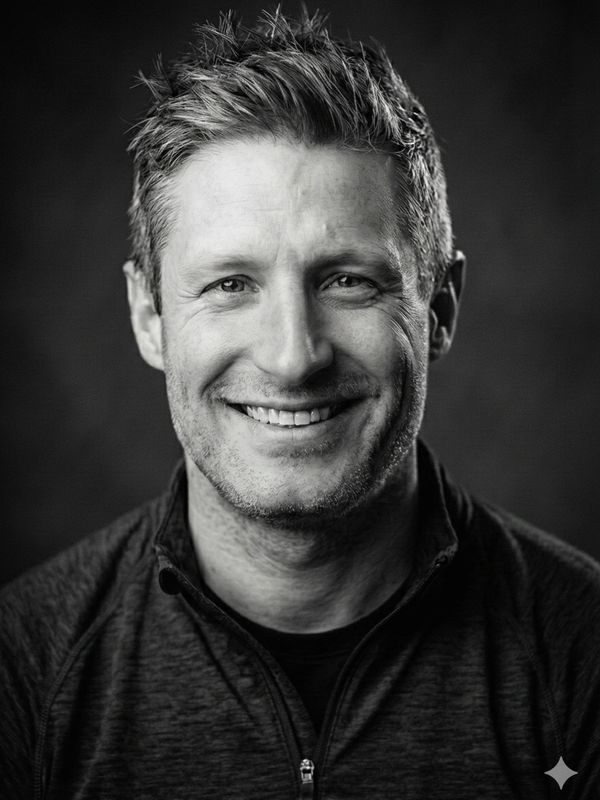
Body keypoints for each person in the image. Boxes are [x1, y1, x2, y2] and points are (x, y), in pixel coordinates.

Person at [1, 9, 599, 799]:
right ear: (148, 315)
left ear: (440, 308)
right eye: (230, 284)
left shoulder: (584, 657)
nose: (292, 357)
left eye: (347, 280)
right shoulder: (24, 670)